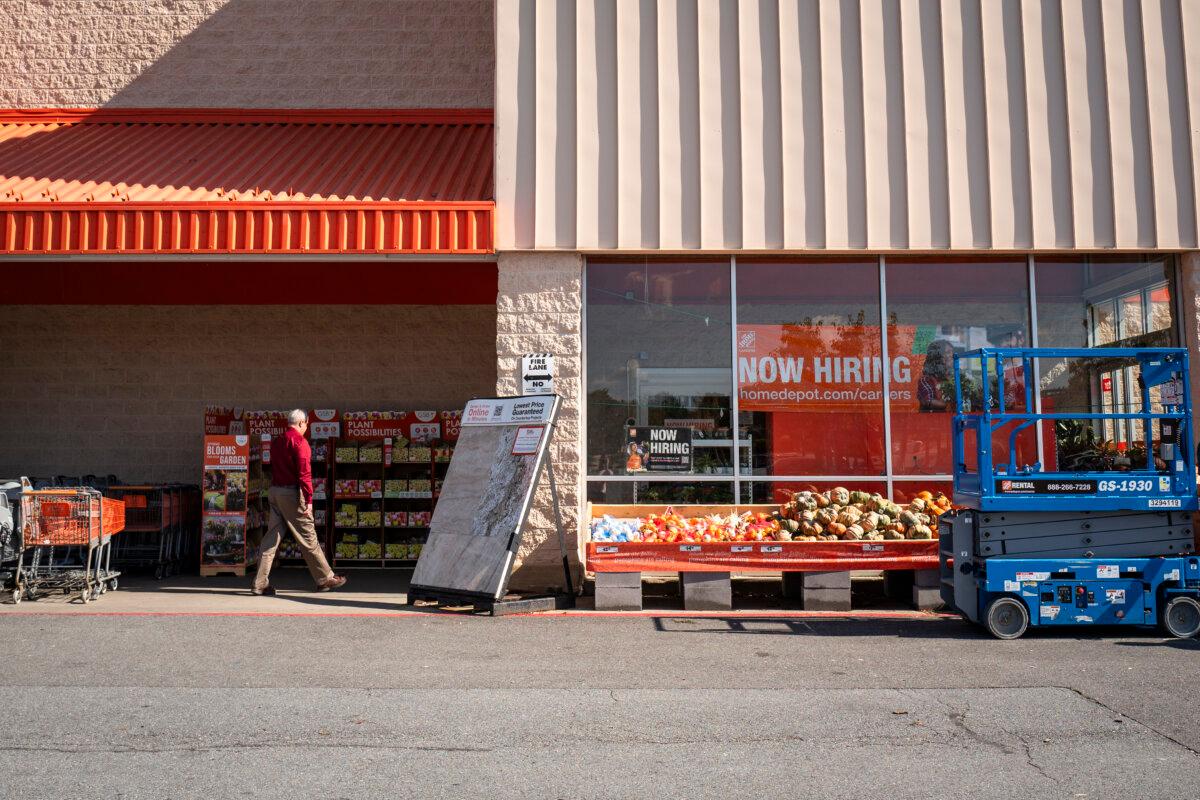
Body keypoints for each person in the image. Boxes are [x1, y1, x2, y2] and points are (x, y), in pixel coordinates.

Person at [252, 409, 346, 596]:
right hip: (291, 494)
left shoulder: (277, 441)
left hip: (275, 492)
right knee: (308, 535)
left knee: (271, 539)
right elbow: (305, 474)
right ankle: (325, 577)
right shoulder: (300, 442)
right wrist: (309, 500)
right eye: (306, 425)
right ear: (302, 423)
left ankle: (260, 583)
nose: (306, 428)